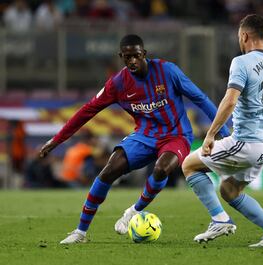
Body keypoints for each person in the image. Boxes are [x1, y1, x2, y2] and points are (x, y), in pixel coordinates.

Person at [39, 34, 230, 244]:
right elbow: (87, 111)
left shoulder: (167, 71)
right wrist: (57, 140)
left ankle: (134, 209)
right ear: (121, 56)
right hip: (144, 136)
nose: (132, 61)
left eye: (136, 56)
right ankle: (80, 232)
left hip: (176, 134)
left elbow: (200, 98)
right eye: (127, 57)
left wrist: (223, 130)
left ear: (144, 54)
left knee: (161, 168)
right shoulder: (118, 84)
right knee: (109, 170)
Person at [182, 14, 263, 247]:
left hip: (246, 142)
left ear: (244, 36)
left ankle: (219, 220)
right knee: (229, 189)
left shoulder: (241, 62)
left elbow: (230, 101)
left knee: (189, 165)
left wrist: (211, 134)